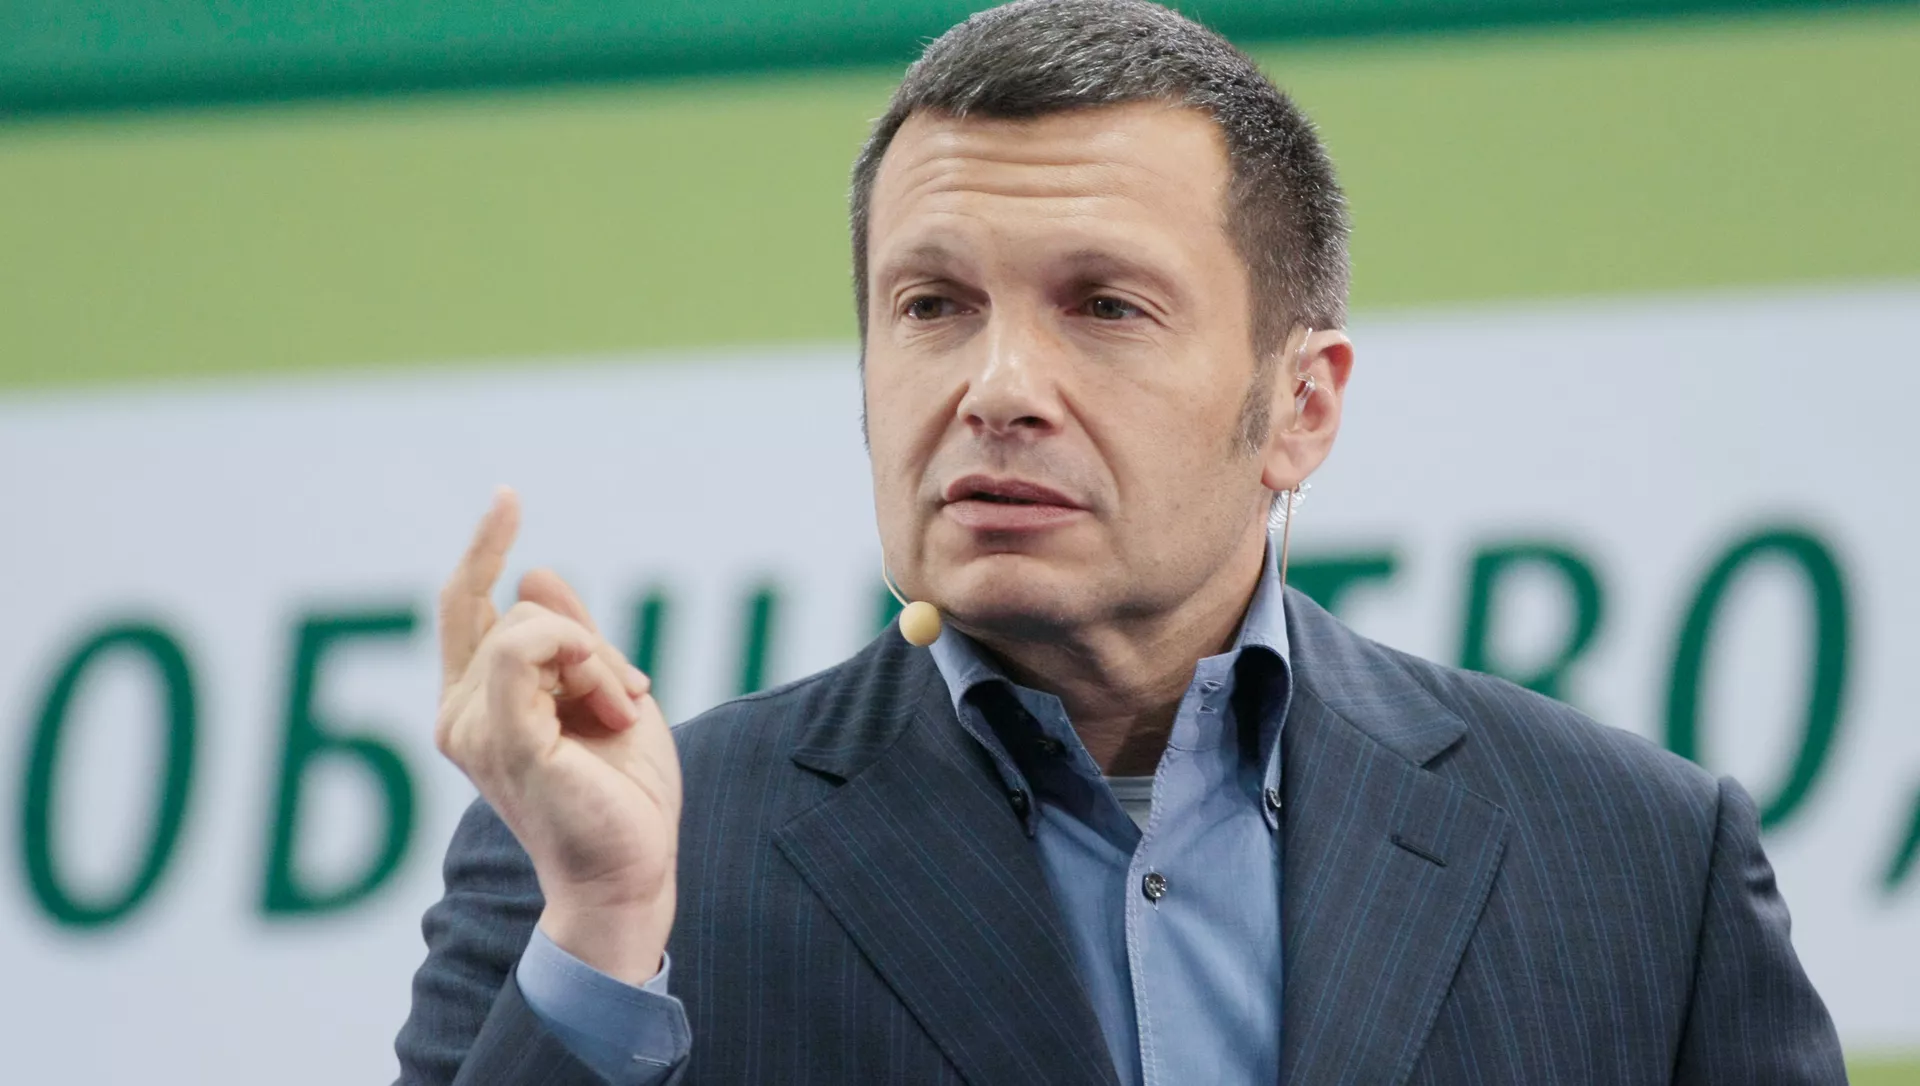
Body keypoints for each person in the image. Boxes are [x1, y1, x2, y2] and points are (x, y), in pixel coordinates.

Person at [393, 1, 1846, 1082]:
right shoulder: (596, 863)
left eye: (1104, 306)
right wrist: (606, 930)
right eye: (932, 305)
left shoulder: (1641, 864)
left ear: (1301, 405)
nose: (998, 388)